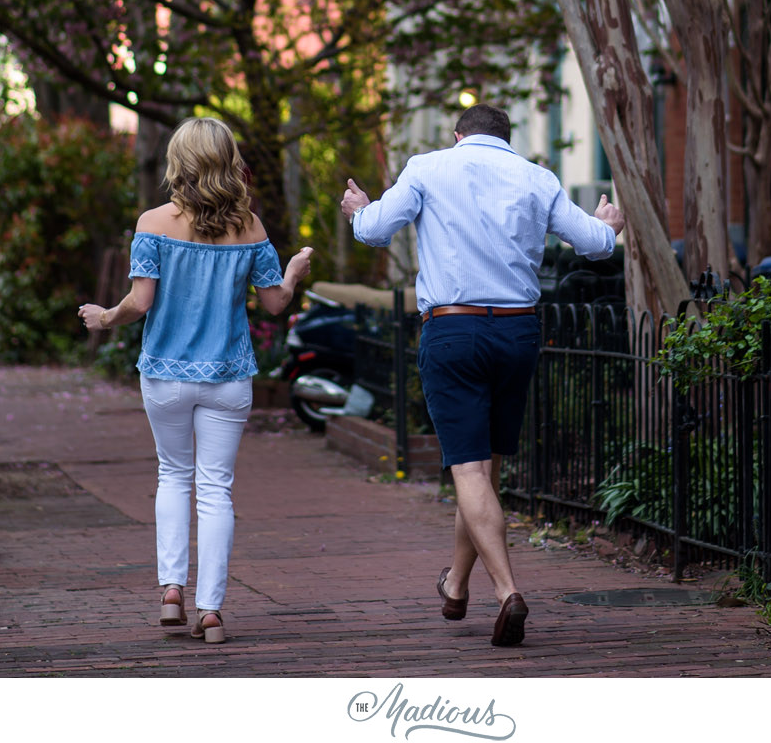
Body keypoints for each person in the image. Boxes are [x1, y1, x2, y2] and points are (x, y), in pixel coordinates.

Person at [340, 102, 624, 647]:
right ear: (507, 138)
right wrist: (608, 227)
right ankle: (456, 585)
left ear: (458, 135)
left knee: (469, 471)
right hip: (517, 334)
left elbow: (373, 231)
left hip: (454, 331)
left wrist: (360, 206)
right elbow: (593, 244)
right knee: (484, 469)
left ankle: (507, 591)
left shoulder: (427, 167)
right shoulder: (536, 177)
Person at [80, 117, 312, 644]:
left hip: (165, 372)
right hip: (228, 376)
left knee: (173, 475)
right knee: (216, 490)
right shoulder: (250, 227)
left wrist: (104, 317)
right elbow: (274, 304)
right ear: (228, 161)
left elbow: (140, 303)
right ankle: (210, 610)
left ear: (179, 163)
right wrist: (293, 270)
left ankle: (170, 591)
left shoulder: (153, 222)